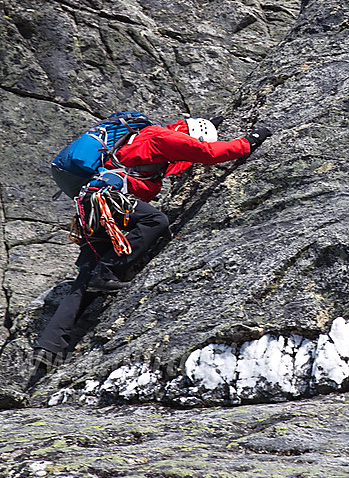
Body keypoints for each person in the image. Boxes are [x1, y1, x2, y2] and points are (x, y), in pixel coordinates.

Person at [33, 117, 271, 370]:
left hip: (93, 207)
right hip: (108, 202)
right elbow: (207, 152)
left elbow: (183, 159)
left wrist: (207, 126)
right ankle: (108, 270)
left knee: (86, 280)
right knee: (156, 220)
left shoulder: (150, 142)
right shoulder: (159, 137)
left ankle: (48, 347)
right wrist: (250, 141)